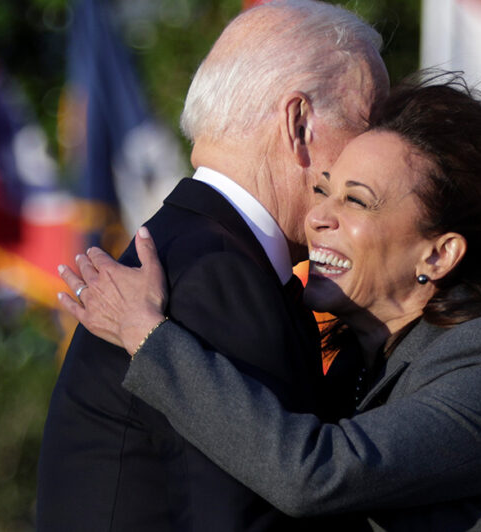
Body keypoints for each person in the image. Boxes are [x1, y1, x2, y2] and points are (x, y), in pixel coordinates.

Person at [60, 73, 481, 531]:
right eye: (324, 189)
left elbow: (314, 474)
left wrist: (148, 337)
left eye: (357, 201)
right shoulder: (359, 361)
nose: (319, 217)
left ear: (439, 255)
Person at [35, 1, 388, 530]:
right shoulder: (214, 274)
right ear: (298, 124)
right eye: (371, 126)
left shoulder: (205, 253)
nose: (381, 154)